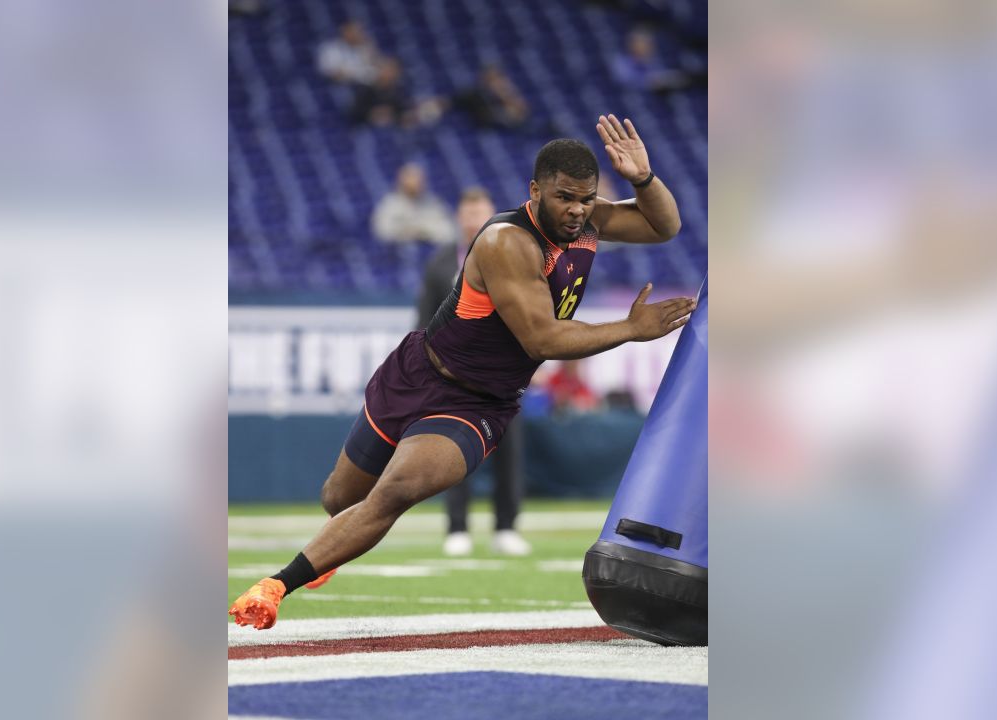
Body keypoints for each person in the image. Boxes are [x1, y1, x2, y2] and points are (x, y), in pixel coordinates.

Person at [230, 115, 696, 630]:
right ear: (535, 190)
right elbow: (541, 339)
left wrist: (644, 179)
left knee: (396, 491)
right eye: (566, 197)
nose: (577, 211)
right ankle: (331, 550)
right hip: (417, 373)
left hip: (477, 404)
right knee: (338, 499)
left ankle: (276, 585)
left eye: (586, 199)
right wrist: (630, 328)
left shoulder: (589, 220)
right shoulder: (506, 242)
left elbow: (664, 225)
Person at [417, 187, 531, 557]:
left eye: (480, 212)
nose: (474, 219)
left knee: (509, 452)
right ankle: (457, 528)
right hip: (456, 377)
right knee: (453, 454)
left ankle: (506, 527)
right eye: (468, 213)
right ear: (458, 218)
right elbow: (424, 321)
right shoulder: (441, 263)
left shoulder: (513, 256)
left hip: (504, 374)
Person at [371, 163, 458, 245]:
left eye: (419, 180)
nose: (416, 183)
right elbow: (382, 231)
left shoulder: (433, 204)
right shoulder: (390, 205)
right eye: (411, 179)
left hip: (432, 252)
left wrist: (423, 232)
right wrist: (408, 232)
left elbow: (450, 232)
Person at [612, 28, 691, 94]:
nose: (647, 47)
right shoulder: (622, 61)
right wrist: (649, 81)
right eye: (642, 44)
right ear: (633, 44)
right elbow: (626, 81)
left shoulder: (652, 60)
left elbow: (660, 75)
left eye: (648, 44)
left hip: (654, 94)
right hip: (632, 96)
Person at [316, 20, 381, 87]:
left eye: (359, 31)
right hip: (340, 86)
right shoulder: (330, 49)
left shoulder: (364, 48)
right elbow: (335, 74)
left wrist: (370, 48)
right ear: (345, 32)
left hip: (366, 86)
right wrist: (357, 74)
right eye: (354, 31)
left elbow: (374, 67)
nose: (358, 34)